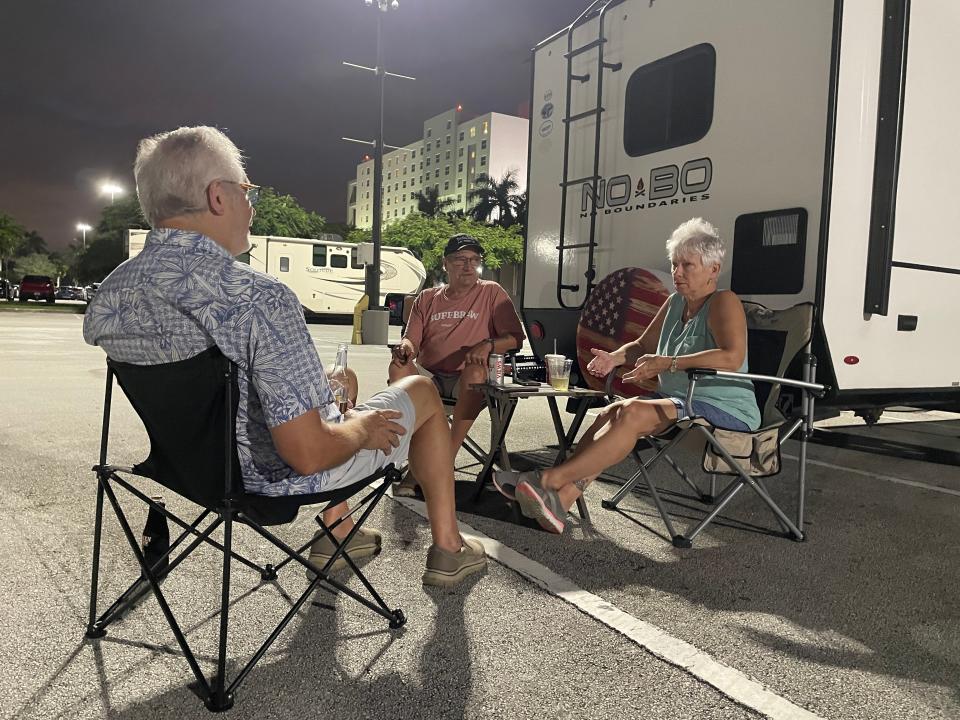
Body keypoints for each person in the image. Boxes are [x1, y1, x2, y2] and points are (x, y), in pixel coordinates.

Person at [83, 126, 486, 587]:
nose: (250, 205)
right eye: (246, 190)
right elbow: (309, 454)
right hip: (271, 479)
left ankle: (341, 532)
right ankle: (449, 548)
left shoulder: (113, 294)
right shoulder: (257, 298)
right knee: (421, 389)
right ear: (218, 197)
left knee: (342, 378)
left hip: (187, 472)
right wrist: (362, 427)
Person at [495, 218, 760, 534]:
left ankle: (547, 481)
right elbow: (641, 345)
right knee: (609, 412)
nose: (676, 273)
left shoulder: (723, 302)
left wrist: (667, 363)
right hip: (680, 402)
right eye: (674, 265)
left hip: (723, 408)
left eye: (687, 266)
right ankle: (561, 503)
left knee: (632, 413)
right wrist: (614, 358)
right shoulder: (676, 302)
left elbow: (733, 356)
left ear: (713, 269)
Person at [389, 234, 525, 495]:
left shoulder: (491, 292)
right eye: (461, 259)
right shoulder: (428, 298)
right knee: (398, 367)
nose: (468, 266)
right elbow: (411, 340)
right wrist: (405, 348)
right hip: (431, 378)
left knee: (475, 370)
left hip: (468, 380)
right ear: (445, 264)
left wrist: (488, 345)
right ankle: (415, 452)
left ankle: (439, 460)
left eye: (474, 260)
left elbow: (514, 338)